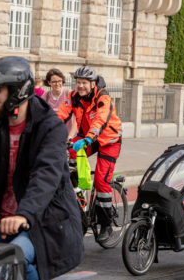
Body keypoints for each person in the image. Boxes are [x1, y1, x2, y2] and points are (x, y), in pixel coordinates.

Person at [0, 56, 84, 279]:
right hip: (3, 220)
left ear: (17, 91)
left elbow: (46, 176)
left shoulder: (50, 127)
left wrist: (23, 215)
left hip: (45, 224)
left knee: (12, 259)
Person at [57, 65, 122, 242]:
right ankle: (77, 189)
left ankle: (106, 224)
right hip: (86, 138)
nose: (81, 86)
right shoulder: (73, 97)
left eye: (84, 83)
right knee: (68, 152)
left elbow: (100, 119)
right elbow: (59, 116)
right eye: (78, 82)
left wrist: (89, 137)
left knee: (101, 181)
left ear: (93, 84)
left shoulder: (103, 97)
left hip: (109, 141)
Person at [42, 68, 77, 139]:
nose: (57, 84)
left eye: (59, 81)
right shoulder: (46, 96)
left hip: (69, 135)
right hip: (52, 135)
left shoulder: (70, 94)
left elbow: (77, 117)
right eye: (54, 81)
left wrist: (70, 136)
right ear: (49, 83)